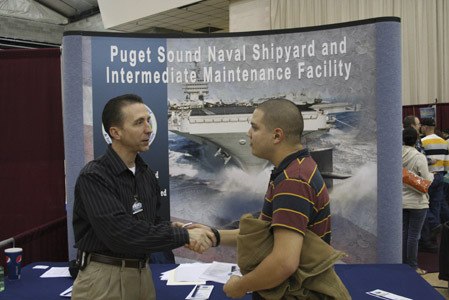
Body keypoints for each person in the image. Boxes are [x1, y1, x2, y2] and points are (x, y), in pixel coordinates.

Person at [71, 94, 215, 300]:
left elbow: (149, 222)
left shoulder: (145, 174)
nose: (149, 128)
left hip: (142, 276)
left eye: (148, 120)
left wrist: (176, 229)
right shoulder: (94, 176)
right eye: (139, 122)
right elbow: (121, 234)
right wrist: (184, 237)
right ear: (115, 132)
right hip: (104, 280)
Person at [211, 99, 333, 298]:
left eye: (254, 127)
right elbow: (266, 232)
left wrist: (241, 286)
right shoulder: (295, 169)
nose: (248, 133)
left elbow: (284, 262)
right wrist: (214, 236)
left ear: (277, 135)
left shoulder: (293, 181)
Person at [402, 127, 434, 275]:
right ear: (416, 139)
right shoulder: (419, 157)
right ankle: (413, 266)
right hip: (417, 203)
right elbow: (426, 181)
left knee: (403, 234)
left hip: (400, 202)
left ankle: (401, 264)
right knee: (414, 236)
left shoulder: (395, 155)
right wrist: (433, 176)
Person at [419, 117, 449, 252]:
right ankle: (433, 240)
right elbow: (447, 164)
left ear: (424, 127)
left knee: (424, 206)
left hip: (428, 177)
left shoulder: (422, 142)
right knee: (436, 207)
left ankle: (429, 233)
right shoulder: (443, 142)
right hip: (441, 176)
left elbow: (422, 161)